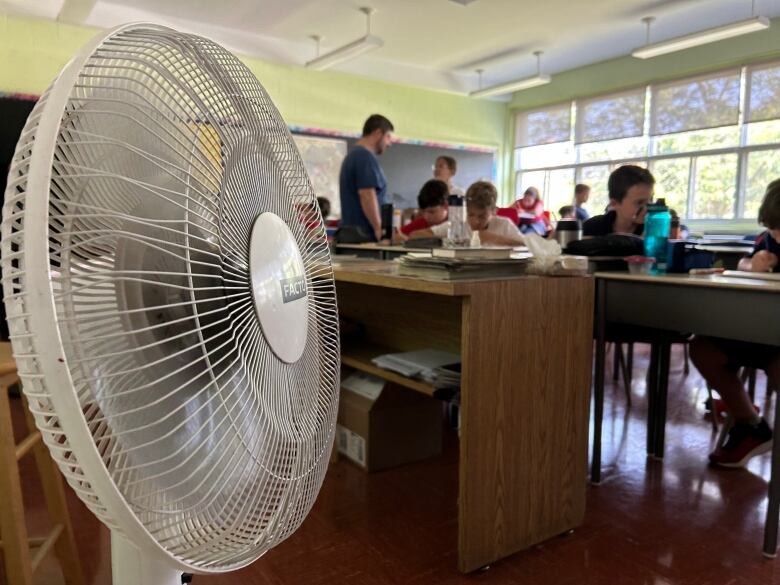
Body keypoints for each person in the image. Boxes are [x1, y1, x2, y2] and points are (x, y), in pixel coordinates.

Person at [690, 179, 780, 468]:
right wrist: (750, 265)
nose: (776, 237)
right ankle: (750, 424)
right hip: (754, 329)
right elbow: (742, 263)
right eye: (772, 228)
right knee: (703, 348)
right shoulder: (766, 240)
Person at [410, 181, 524, 246]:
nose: (475, 221)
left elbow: (530, 248)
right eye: (470, 214)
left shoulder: (504, 224)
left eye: (482, 216)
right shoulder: (459, 225)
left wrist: (496, 239)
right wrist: (447, 239)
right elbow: (414, 235)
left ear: (494, 211)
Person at [338, 114, 394, 242]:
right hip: (363, 237)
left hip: (356, 235)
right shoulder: (364, 157)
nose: (390, 143)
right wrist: (379, 229)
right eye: (388, 137)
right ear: (378, 133)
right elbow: (367, 195)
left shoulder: (355, 156)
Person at [583, 165, 654, 237]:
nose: (648, 208)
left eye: (650, 200)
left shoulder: (655, 230)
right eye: (640, 202)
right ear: (614, 203)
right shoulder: (590, 229)